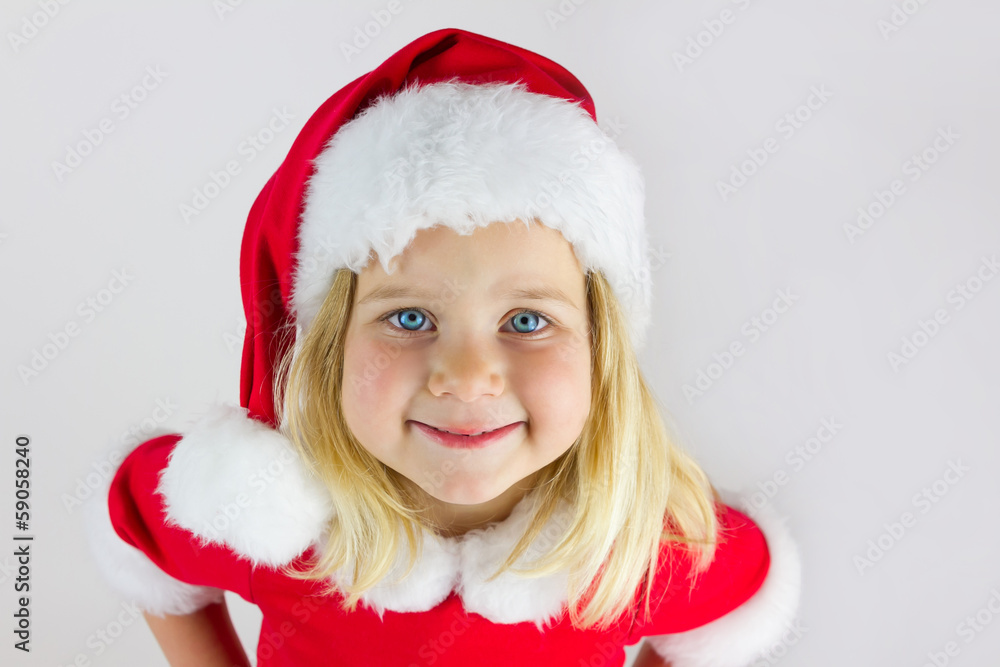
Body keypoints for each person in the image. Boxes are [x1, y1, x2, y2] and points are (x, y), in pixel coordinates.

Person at [83, 28, 802, 667]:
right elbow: (139, 523)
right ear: (332, 346)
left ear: (600, 352)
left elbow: (743, 593)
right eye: (409, 318)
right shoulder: (282, 524)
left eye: (525, 320)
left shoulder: (640, 554)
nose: (467, 377)